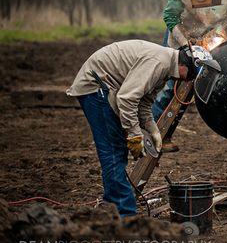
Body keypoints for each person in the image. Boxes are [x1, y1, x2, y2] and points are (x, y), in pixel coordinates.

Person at [67, 40, 211, 217]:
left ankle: (112, 207)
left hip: (107, 87)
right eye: (191, 75)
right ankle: (126, 215)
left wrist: (153, 129)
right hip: (96, 86)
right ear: (185, 65)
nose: (188, 80)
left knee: (116, 153)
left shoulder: (166, 68)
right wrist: (135, 136)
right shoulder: (158, 63)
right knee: (113, 152)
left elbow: (144, 103)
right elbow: (127, 99)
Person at [153, 0, 227, 121]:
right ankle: (153, 127)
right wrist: (185, 44)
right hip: (182, 34)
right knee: (171, 86)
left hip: (213, 36)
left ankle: (166, 132)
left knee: (188, 88)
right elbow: (170, 15)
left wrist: (215, 37)